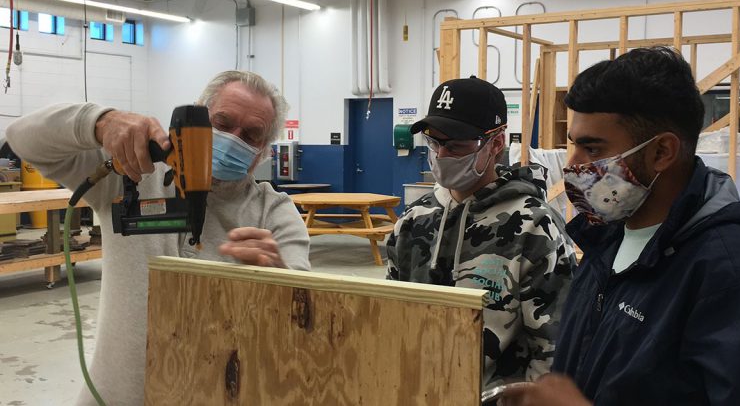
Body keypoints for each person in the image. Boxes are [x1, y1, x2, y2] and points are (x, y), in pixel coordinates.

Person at [6, 70, 311, 405]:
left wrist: (280, 280)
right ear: (196, 115)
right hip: (114, 397)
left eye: (251, 135)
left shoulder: (275, 214)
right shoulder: (132, 171)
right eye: (222, 124)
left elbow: (304, 318)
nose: (234, 139)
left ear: (263, 151)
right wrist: (100, 122)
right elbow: (21, 137)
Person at [501, 47, 740, 405]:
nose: (573, 165)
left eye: (592, 149)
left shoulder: (734, 271)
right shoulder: (604, 239)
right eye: (572, 145)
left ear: (661, 152)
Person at [386, 76, 576, 394]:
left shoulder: (534, 227)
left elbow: (554, 346)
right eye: (434, 143)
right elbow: (390, 317)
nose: (442, 155)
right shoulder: (412, 221)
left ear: (496, 144)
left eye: (456, 145)